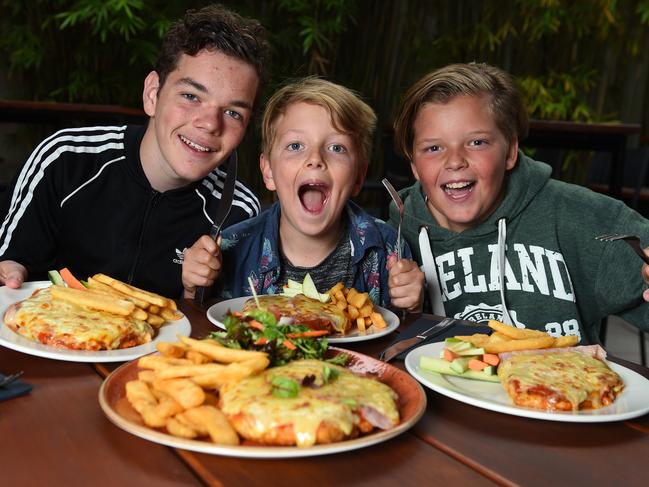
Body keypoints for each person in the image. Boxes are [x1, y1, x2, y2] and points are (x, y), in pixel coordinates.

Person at [0, 4, 270, 297]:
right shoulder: (65, 159)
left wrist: (194, 293)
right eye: (191, 96)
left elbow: (225, 324)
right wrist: (9, 270)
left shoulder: (238, 212)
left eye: (233, 113)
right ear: (152, 93)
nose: (209, 124)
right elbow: (9, 260)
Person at [389, 62, 649, 344]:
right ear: (414, 164)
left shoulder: (578, 218)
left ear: (511, 151)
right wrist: (409, 309)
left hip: (564, 384)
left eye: (477, 142)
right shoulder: (398, 234)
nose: (454, 161)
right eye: (434, 148)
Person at [183, 77, 424, 311]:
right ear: (268, 171)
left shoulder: (389, 247)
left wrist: (412, 307)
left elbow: (403, 337)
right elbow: (203, 333)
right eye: (296, 146)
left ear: (359, 177)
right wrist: (194, 291)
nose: (315, 160)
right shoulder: (229, 247)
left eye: (336, 148)